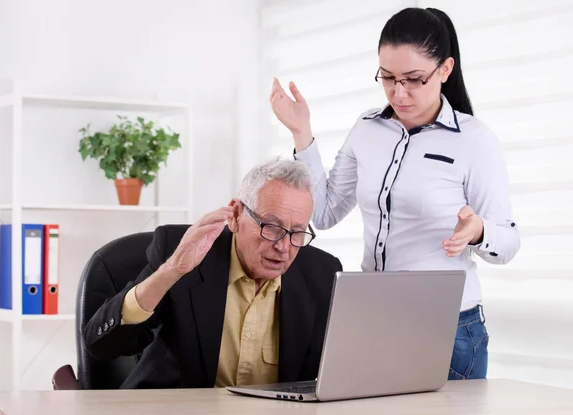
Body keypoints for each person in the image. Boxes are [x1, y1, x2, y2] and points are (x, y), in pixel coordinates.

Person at [269, 7, 520, 381]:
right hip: (375, 321)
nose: (398, 92)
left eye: (414, 79)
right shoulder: (368, 129)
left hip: (447, 330)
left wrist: (479, 230)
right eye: (387, 78)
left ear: (445, 70)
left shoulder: (474, 140)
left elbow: (509, 242)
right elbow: (323, 212)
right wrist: (301, 133)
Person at [83, 159, 343, 389]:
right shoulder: (182, 250)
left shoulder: (322, 274)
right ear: (236, 214)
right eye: (272, 227)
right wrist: (171, 271)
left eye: (297, 232)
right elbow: (102, 346)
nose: (283, 246)